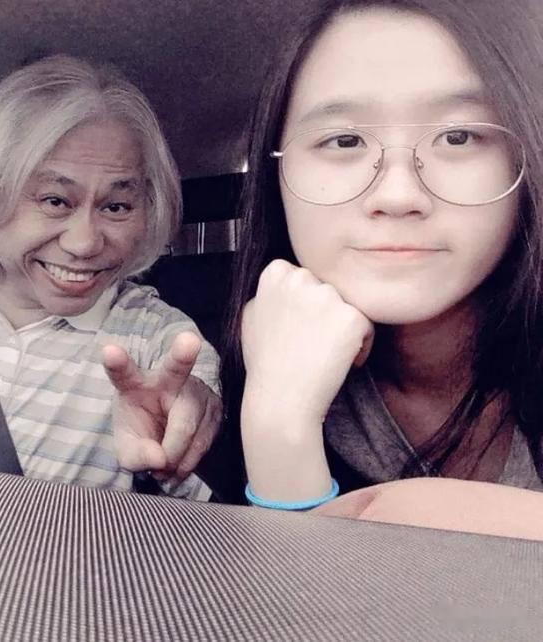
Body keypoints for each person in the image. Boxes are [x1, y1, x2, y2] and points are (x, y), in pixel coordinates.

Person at [223, 0, 543, 538]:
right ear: (275, 175)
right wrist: (276, 422)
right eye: (344, 141)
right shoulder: (263, 356)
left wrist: (384, 509)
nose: (397, 195)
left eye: (459, 137)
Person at [0, 55, 221, 500]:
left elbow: (189, 395)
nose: (84, 243)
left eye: (116, 207)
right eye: (55, 200)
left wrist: (182, 429)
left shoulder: (155, 338)